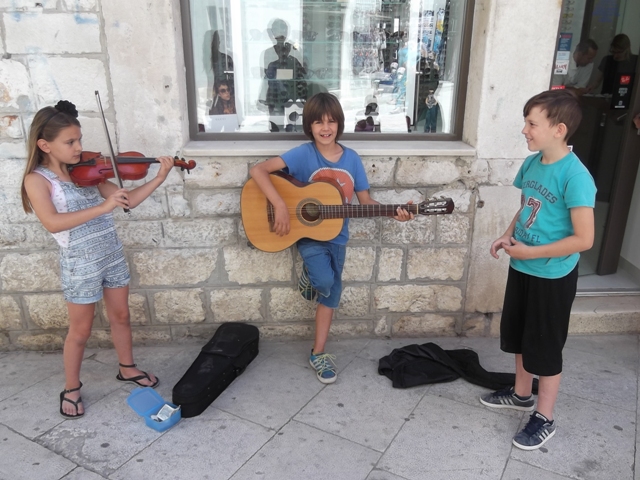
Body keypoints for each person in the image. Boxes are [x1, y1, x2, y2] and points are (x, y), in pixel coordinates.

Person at [20, 100, 175, 419]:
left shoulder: (87, 171)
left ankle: (127, 368)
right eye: (70, 142)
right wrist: (103, 207)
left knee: (121, 316)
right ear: (45, 145)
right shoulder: (38, 180)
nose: (79, 148)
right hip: (80, 263)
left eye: (79, 139)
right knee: (80, 331)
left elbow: (127, 200)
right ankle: (71, 387)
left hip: (111, 254)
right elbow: (53, 222)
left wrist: (159, 178)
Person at [249, 93, 414, 384]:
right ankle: (311, 277)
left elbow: (365, 201)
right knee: (324, 281)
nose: (325, 128)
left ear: (339, 123)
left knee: (331, 296)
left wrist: (394, 212)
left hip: (338, 238)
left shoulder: (351, 159)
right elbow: (258, 170)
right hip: (308, 237)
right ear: (309, 126)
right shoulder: (303, 154)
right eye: (318, 122)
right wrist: (279, 204)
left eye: (331, 121)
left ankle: (318, 353)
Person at [479, 90, 596, 450]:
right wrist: (507, 234)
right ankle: (520, 394)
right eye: (525, 122)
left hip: (553, 277)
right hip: (523, 267)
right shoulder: (531, 164)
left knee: (544, 347)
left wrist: (533, 253)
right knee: (519, 336)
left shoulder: (576, 176)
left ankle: (544, 417)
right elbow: (527, 207)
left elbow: (584, 239)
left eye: (532, 124)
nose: (524, 130)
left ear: (559, 130)